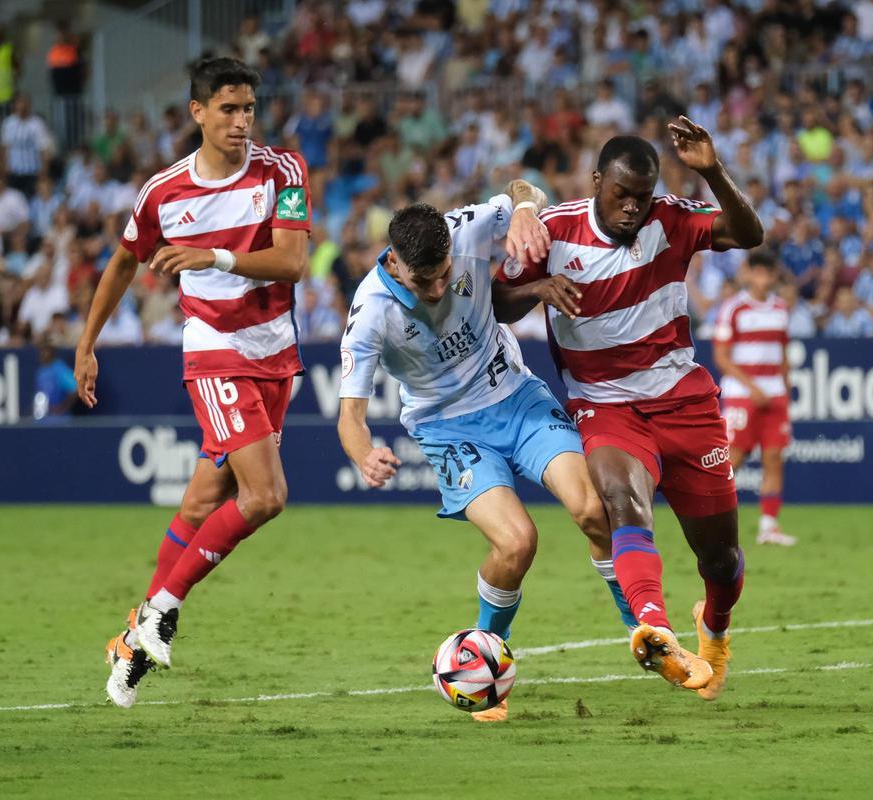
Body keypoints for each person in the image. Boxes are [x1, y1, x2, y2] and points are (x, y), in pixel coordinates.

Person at [337, 189, 648, 722]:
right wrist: (364, 455)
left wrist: (526, 209)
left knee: (594, 510)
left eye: (444, 275)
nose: (438, 289)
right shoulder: (370, 314)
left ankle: (643, 632)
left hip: (516, 396)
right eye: (423, 281)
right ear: (393, 261)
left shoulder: (469, 227)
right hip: (448, 427)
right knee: (517, 542)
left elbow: (524, 191)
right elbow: (350, 417)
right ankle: (483, 662)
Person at [493, 125, 764, 701]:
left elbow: (749, 233)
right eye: (622, 194)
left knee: (720, 558)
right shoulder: (555, 230)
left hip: (684, 402)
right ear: (597, 183)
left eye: (643, 195)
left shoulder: (669, 218)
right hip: (605, 405)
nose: (633, 208)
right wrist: (539, 286)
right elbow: (496, 299)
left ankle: (714, 629)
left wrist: (713, 171)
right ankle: (654, 626)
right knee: (620, 499)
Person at [74, 57, 311, 709]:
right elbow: (124, 261)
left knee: (208, 497)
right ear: (197, 113)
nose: (242, 122)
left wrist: (213, 255)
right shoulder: (163, 193)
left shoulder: (283, 172)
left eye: (249, 109)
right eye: (228, 110)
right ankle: (161, 613)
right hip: (214, 349)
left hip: (274, 353)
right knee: (265, 496)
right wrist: (88, 341)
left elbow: (293, 261)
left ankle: (131, 638)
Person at [713, 253, 795, 546]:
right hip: (742, 396)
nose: (762, 278)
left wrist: (784, 389)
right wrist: (751, 387)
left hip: (774, 395)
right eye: (757, 272)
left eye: (767, 273)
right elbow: (721, 357)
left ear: (773, 275)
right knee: (733, 459)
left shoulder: (781, 309)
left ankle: (769, 526)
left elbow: (784, 355)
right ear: (749, 274)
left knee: (774, 458)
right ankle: (714, 522)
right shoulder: (733, 308)